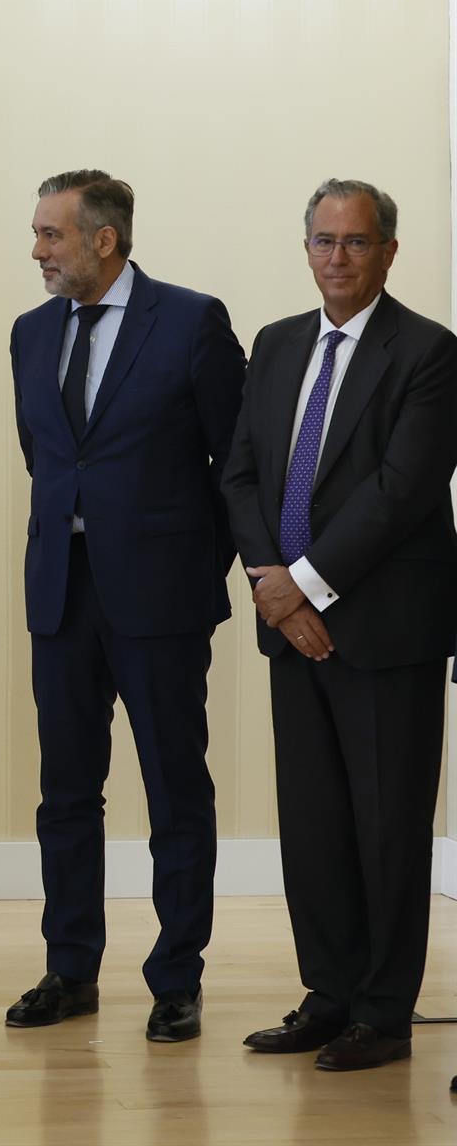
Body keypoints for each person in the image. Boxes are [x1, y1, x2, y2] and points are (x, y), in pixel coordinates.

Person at [4, 170, 245, 1043]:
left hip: (162, 600)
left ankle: (176, 978)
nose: (37, 250)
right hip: (60, 592)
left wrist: (193, 568)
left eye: (51, 235)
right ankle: (69, 969)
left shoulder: (191, 321)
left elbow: (237, 462)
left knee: (175, 791)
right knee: (65, 793)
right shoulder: (31, 333)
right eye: (38, 233)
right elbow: (46, 456)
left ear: (103, 240)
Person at [222, 180, 457, 1073]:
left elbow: (401, 491)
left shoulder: (428, 352)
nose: (337, 258)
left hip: (385, 630)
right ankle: (328, 996)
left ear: (388, 251)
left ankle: (384, 1015)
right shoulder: (276, 344)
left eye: (356, 242)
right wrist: (272, 586)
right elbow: (242, 473)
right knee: (313, 822)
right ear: (307, 248)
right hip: (290, 624)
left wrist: (304, 590)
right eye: (324, 241)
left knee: (387, 826)